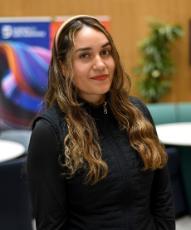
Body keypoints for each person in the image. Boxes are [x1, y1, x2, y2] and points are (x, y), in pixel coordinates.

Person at [27, 15, 175, 230]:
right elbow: (51, 225)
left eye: (105, 52)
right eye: (85, 56)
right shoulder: (49, 131)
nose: (100, 64)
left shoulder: (137, 112)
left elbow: (162, 197)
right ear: (65, 67)